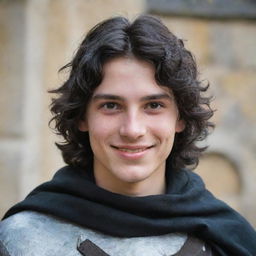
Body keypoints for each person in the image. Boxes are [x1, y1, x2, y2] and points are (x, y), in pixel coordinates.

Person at [0, 15, 255, 256]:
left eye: (153, 106)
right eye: (111, 105)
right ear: (82, 117)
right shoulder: (19, 240)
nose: (132, 130)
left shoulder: (230, 239)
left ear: (180, 118)